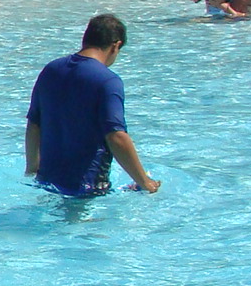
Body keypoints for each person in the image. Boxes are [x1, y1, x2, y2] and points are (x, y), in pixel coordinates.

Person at [25, 13, 160, 196]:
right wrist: (145, 182)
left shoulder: (51, 70)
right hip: (86, 185)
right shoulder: (108, 81)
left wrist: (33, 168)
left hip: (47, 179)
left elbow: (34, 124)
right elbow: (116, 137)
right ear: (116, 45)